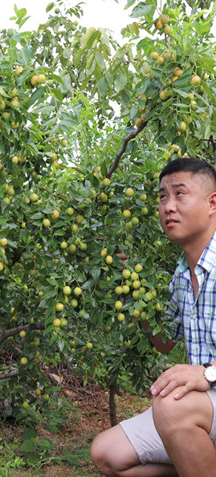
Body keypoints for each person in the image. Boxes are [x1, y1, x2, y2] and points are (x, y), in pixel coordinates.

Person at [91, 157, 216, 477]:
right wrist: (137, 294)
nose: (168, 206)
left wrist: (208, 375)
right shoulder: (181, 274)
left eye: (180, 194)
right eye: (162, 197)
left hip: (204, 397)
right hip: (205, 406)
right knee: (107, 454)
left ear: (212, 202)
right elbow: (163, 341)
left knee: (172, 407)